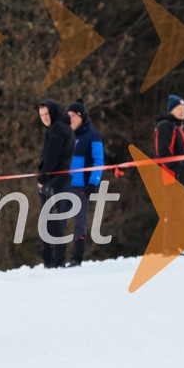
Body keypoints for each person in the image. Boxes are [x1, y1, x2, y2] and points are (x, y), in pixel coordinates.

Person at [65, 99, 104, 267]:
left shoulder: (93, 136)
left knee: (79, 222)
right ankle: (56, 257)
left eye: (73, 115)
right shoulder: (65, 135)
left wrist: (94, 182)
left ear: (81, 117)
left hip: (81, 185)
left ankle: (77, 257)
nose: (70, 119)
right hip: (63, 184)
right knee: (56, 220)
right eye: (68, 115)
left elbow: (98, 160)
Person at [37, 100, 75, 268]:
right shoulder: (64, 127)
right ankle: (56, 260)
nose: (44, 118)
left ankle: (55, 261)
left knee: (51, 220)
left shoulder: (57, 129)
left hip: (55, 180)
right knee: (56, 219)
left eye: (47, 114)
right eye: (41, 115)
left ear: (53, 112)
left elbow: (52, 156)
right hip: (62, 178)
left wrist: (42, 178)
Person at [154, 94, 184, 255]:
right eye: (179, 109)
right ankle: (169, 248)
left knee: (180, 213)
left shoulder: (177, 127)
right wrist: (177, 168)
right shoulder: (165, 126)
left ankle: (175, 245)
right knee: (173, 213)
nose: (182, 112)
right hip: (171, 177)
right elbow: (163, 152)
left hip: (182, 178)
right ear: (171, 110)